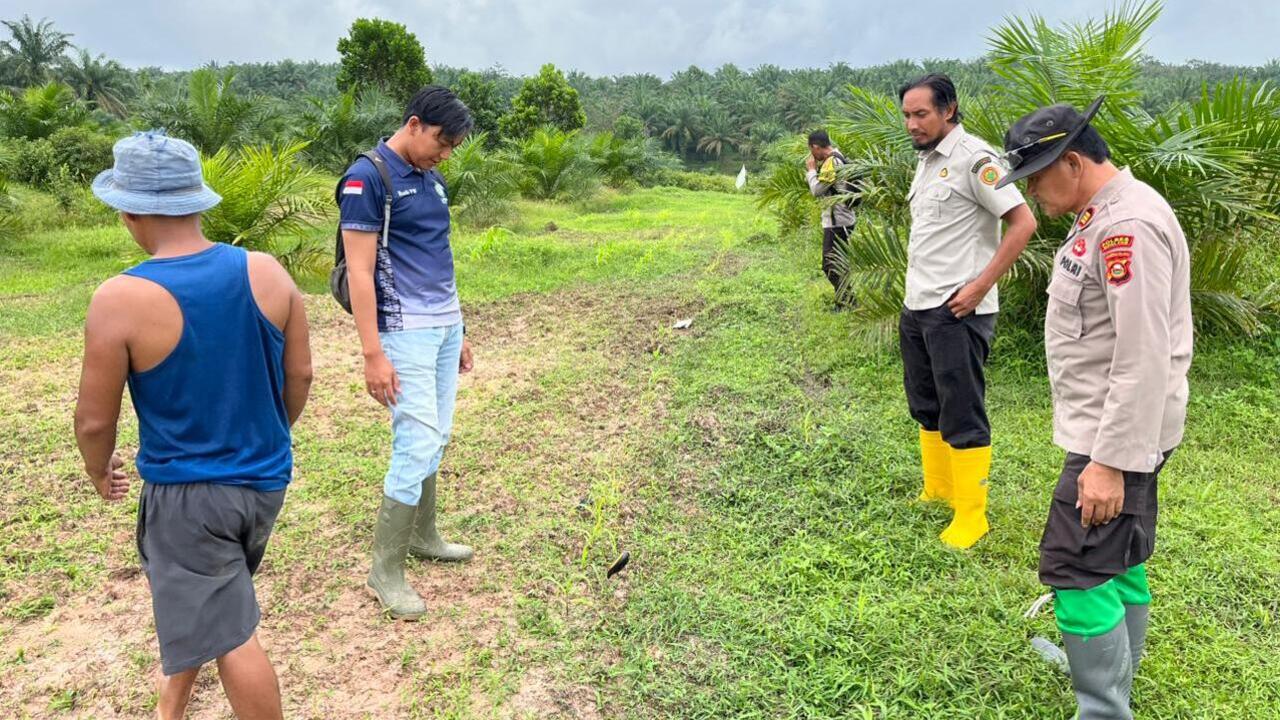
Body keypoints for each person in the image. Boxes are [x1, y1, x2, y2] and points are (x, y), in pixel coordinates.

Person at [75, 131, 313, 720]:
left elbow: (94, 420)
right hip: (265, 482)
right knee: (213, 597)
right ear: (197, 201)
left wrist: (98, 470)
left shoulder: (119, 298)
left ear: (128, 212)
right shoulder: (266, 271)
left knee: (231, 633)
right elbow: (301, 375)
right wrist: (268, 432)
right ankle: (170, 705)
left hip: (188, 497)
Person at [996, 98, 1192, 719]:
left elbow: (1142, 354)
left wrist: (1108, 463)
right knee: (1118, 556)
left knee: (1074, 569)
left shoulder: (1127, 227)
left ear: (1073, 163)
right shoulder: (1104, 214)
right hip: (1119, 427)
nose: (1031, 192)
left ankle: (1103, 707)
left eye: (1035, 177)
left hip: (1114, 436)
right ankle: (1117, 674)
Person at [338, 86, 476, 620]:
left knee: (436, 435)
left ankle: (424, 535)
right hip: (402, 331)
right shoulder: (368, 177)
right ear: (414, 124)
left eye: (453, 147)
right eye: (442, 141)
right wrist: (372, 353)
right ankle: (385, 572)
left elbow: (439, 257)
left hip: (443, 327)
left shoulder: (433, 180)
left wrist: (459, 328)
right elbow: (359, 271)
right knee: (415, 441)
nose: (445, 153)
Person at [897, 73, 1038, 549]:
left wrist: (980, 287)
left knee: (962, 408)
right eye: (907, 115)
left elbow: (1023, 222)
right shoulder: (926, 161)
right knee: (926, 403)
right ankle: (938, 489)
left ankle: (972, 514)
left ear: (949, 109)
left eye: (921, 114)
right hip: (918, 303)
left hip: (957, 308)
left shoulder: (975, 159)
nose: (912, 124)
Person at [805, 129, 858, 307]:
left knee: (829, 265)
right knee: (838, 264)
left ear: (815, 147)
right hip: (844, 220)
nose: (812, 155)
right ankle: (843, 302)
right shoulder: (839, 156)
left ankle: (848, 301)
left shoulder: (831, 162)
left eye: (811, 150)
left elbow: (817, 190)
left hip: (837, 223)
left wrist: (811, 171)